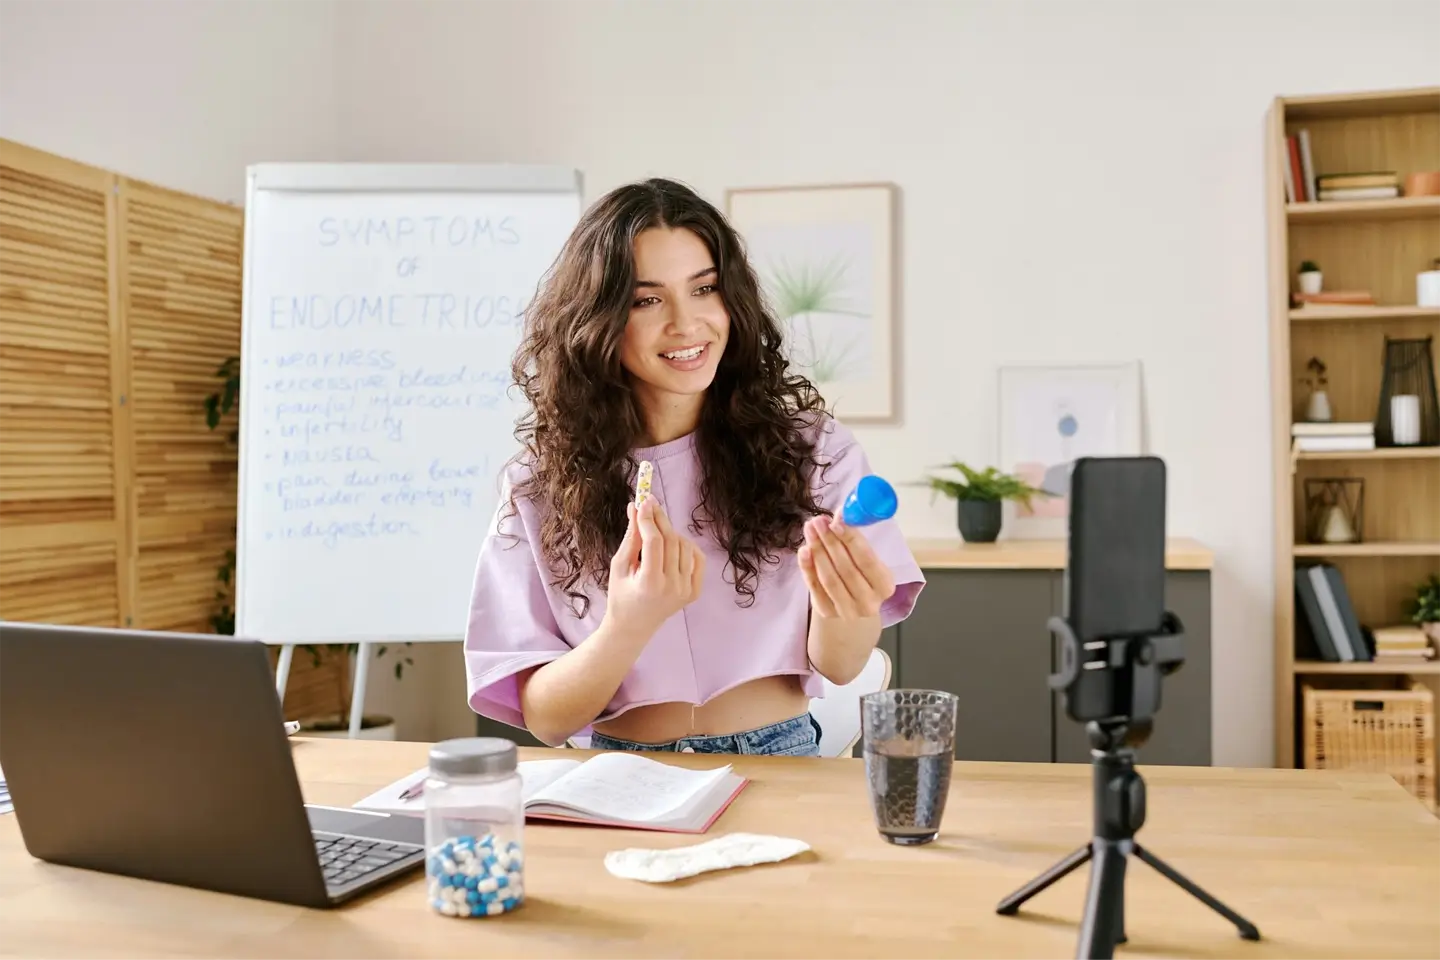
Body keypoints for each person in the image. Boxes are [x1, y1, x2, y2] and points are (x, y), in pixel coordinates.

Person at [463, 177, 925, 756]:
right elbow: (547, 720)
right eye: (647, 299)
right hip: (622, 774)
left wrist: (846, 604)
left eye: (704, 288)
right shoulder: (539, 486)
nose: (686, 323)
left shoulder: (811, 450)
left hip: (779, 757)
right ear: (598, 320)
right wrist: (628, 623)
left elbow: (839, 663)